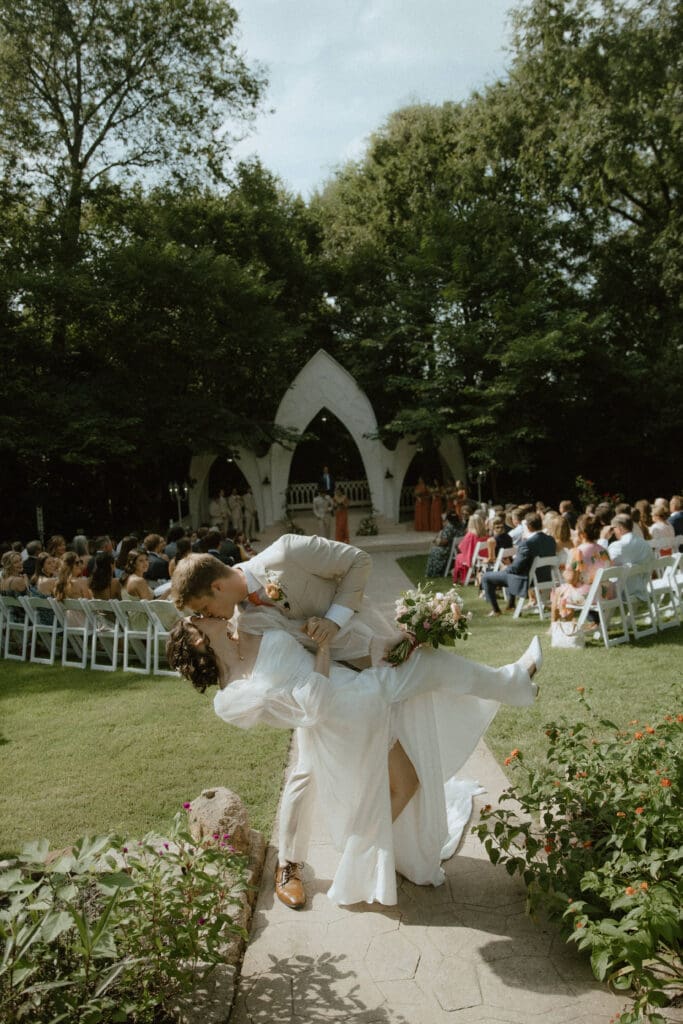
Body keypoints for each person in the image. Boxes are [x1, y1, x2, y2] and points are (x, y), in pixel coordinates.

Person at [167, 614, 542, 908]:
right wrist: (324, 650)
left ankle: (355, 868)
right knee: (431, 666)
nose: (205, 613)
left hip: (350, 692)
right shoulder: (230, 699)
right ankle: (515, 679)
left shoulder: (247, 629)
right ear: (199, 637)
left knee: (406, 783)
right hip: (349, 707)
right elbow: (312, 705)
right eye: (197, 617)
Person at [170, 539, 402, 909]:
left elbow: (359, 561)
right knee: (306, 772)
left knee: (405, 748)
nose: (208, 616)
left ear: (215, 588)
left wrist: (333, 622)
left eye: (203, 608)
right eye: (200, 615)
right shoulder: (239, 620)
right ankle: (290, 864)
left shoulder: (287, 552)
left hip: (363, 645)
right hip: (317, 690)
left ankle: (392, 849)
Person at [481, 512, 557, 617]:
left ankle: (496, 610)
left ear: (529, 526)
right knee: (509, 572)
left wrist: (506, 569)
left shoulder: (527, 543)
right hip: (545, 576)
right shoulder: (550, 540)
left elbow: (516, 568)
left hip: (526, 579)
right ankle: (511, 605)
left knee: (486, 577)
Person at [550, 514, 611, 622]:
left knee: (558, 591)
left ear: (582, 534)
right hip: (605, 593)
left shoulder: (578, 552)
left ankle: (556, 626)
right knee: (567, 589)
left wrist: (564, 572)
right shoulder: (603, 550)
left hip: (588, 596)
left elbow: (571, 580)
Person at [452, 513, 489, 584]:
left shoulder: (471, 534)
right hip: (483, 557)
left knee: (459, 556)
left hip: (474, 558)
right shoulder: (485, 533)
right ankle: (468, 575)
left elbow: (461, 546)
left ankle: (462, 577)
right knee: (463, 556)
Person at [425, 512, 459, 577]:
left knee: (434, 550)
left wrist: (436, 541)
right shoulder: (459, 525)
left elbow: (444, 542)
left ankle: (434, 572)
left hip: (448, 549)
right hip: (456, 548)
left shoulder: (449, 527)